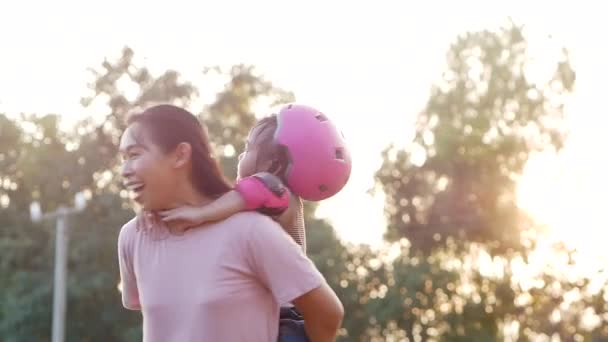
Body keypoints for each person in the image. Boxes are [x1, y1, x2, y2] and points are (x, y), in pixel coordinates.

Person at [117, 104, 344, 342]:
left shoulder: (279, 197)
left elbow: (253, 191)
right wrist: (152, 204)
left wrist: (203, 213)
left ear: (274, 165)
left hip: (287, 317)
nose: (240, 156)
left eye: (248, 149)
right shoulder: (134, 236)